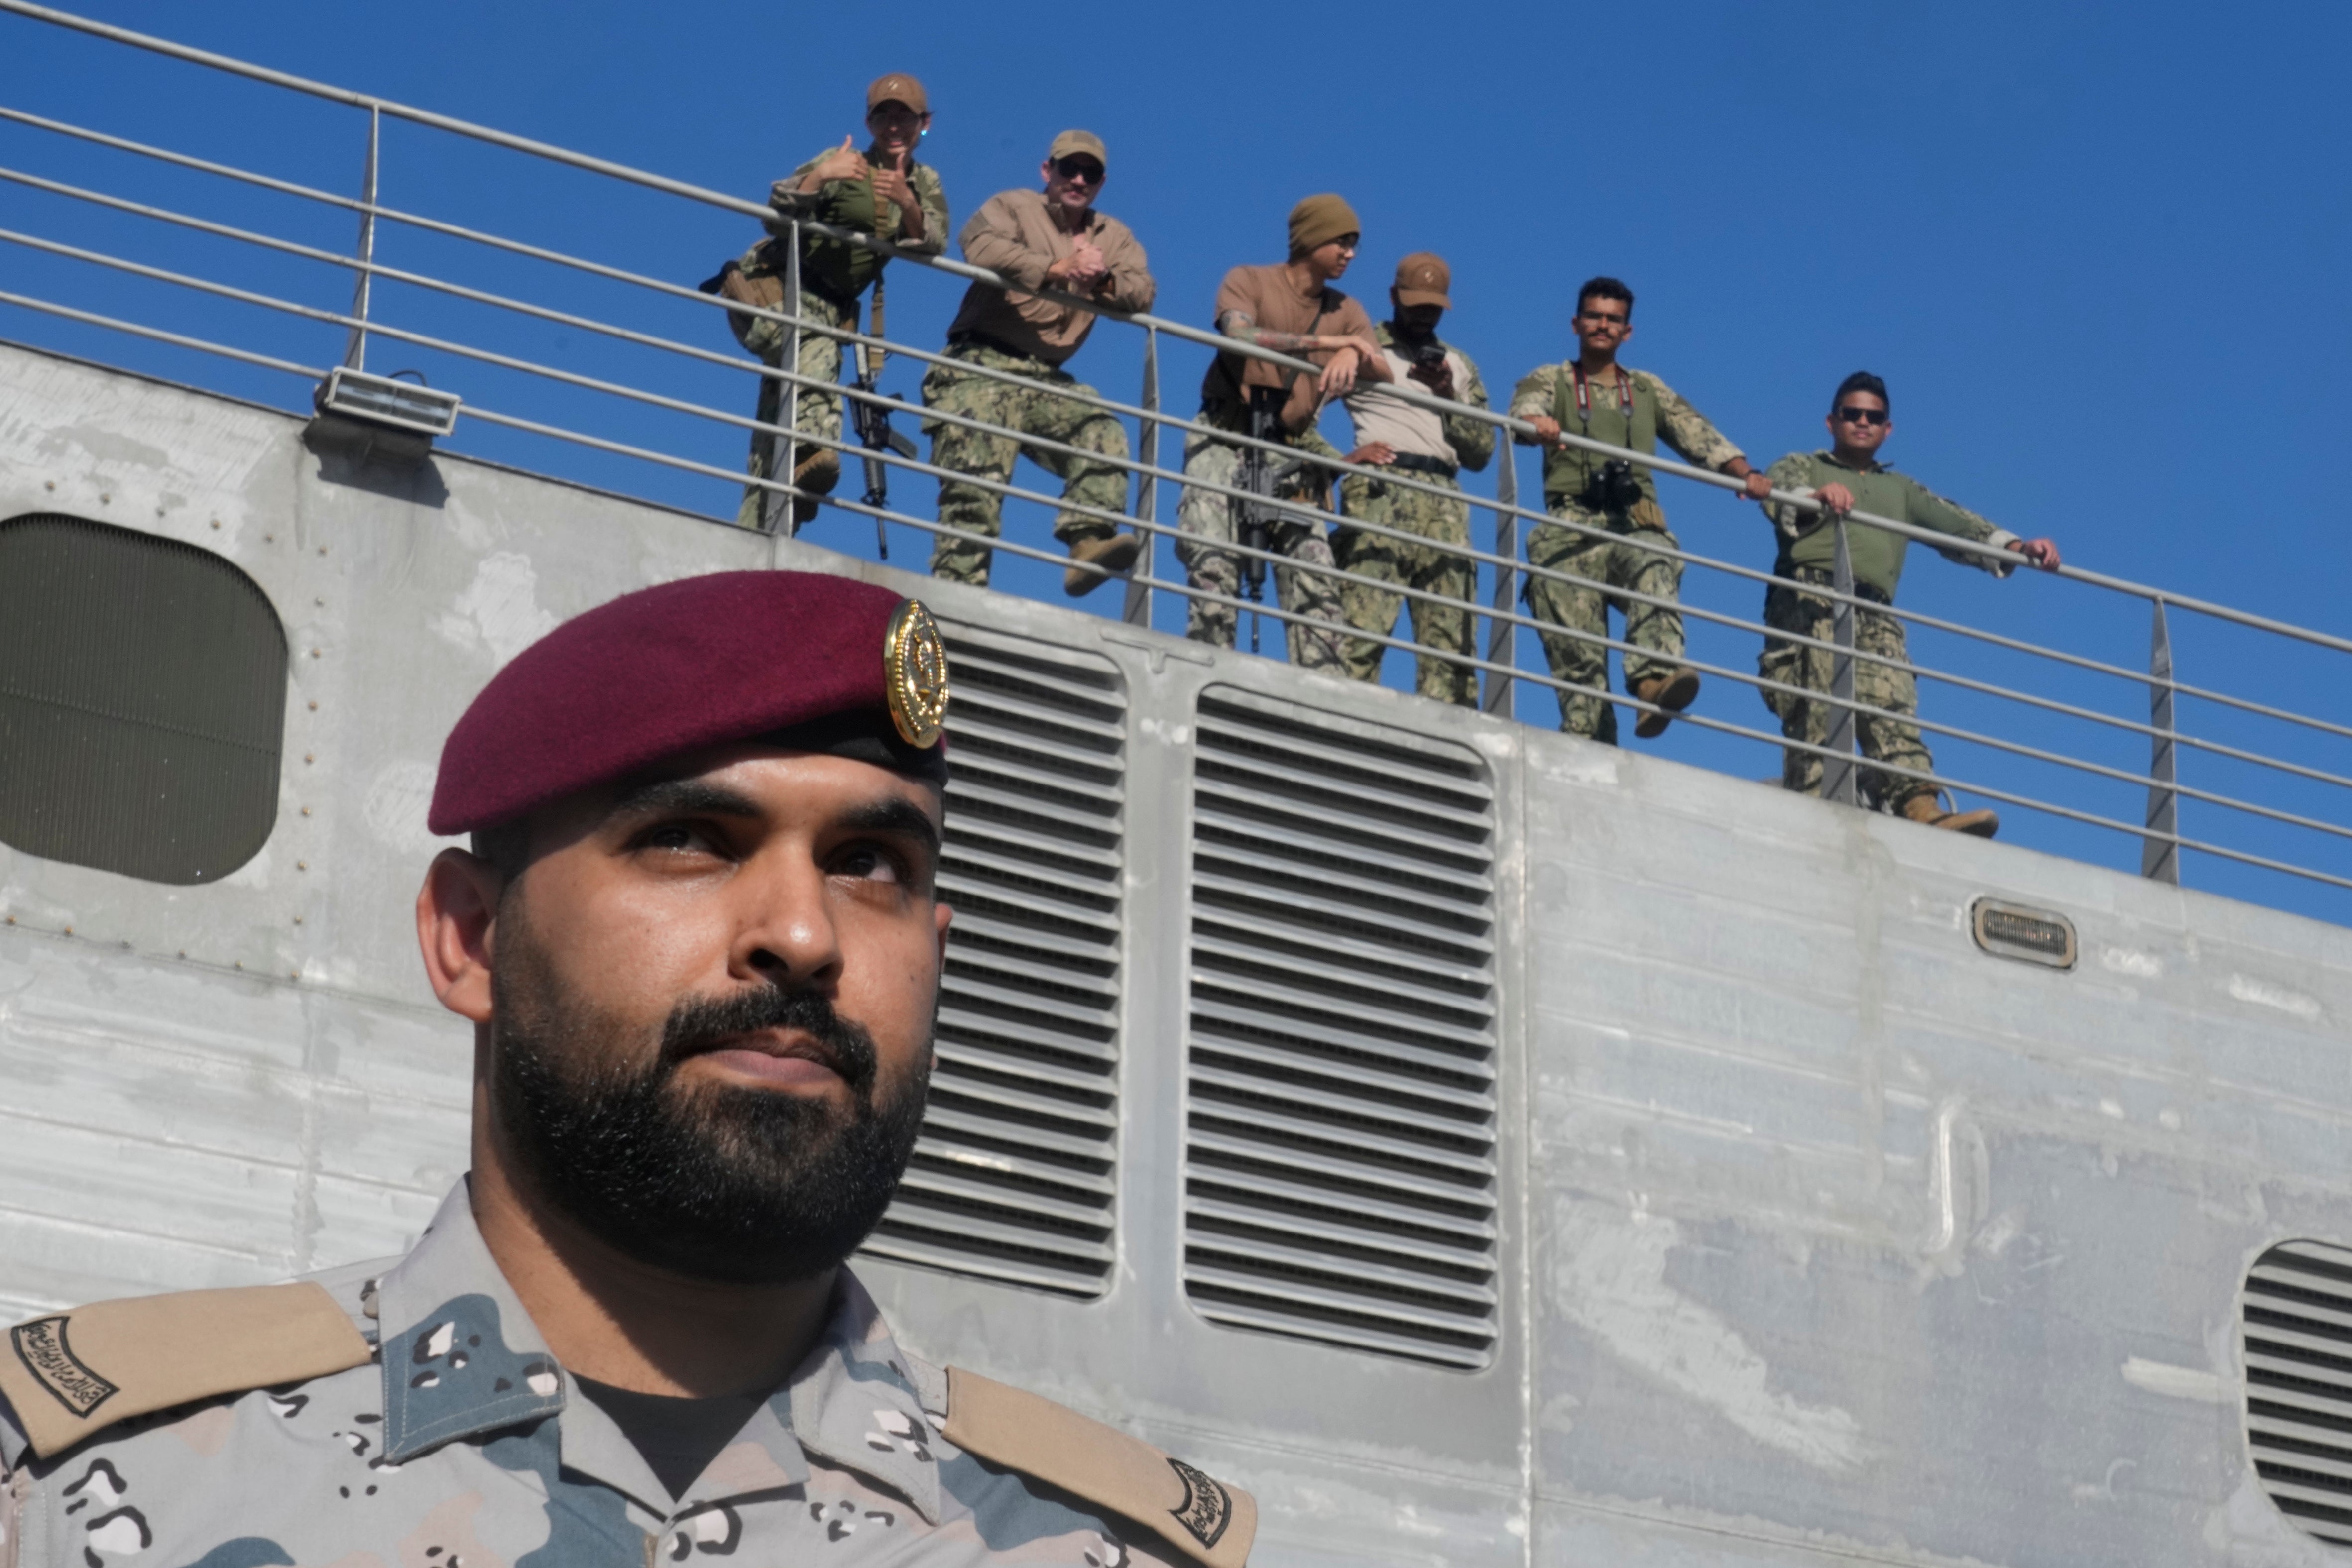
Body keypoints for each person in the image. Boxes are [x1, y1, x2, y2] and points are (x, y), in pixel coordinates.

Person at [0, 573, 1258, 1566]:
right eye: (686, 840)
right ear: (472, 938)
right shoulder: (72, 1493)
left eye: (871, 864)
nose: (806, 936)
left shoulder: (1112, 1548)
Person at [1755, 372, 2061, 837]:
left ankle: (1922, 808)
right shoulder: (1805, 465)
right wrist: (1816, 498)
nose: (1862, 422)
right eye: (1851, 414)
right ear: (1831, 421)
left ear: (1887, 429)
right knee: (1816, 719)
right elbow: (1781, 491)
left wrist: (2017, 547)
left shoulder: (1900, 490)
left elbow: (1956, 524)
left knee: (1892, 706)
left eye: (1873, 417)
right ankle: (1810, 817)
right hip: (1808, 601)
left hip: (1874, 611)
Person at [1509, 277, 1772, 743]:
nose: (1603, 326)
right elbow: (1525, 414)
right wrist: (1537, 425)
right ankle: (1591, 738)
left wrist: (1744, 473)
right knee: (1577, 654)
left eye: (1613, 319)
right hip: (1570, 526)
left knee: (1656, 561)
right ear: (1576, 323)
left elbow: (1697, 434)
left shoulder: (1646, 389)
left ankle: (1653, 684)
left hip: (1633, 522)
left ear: (1627, 332)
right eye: (1594, 316)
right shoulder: (1553, 378)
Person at [926, 130, 1156, 597]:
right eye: (1068, 168)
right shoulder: (1014, 206)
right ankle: (957, 595)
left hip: (1044, 375)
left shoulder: (1112, 236)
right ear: (1046, 171)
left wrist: (1103, 278)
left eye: (1089, 173)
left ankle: (1086, 545)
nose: (1077, 179)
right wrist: (1056, 269)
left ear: (1101, 182)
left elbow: (1143, 291)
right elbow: (980, 244)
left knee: (1102, 432)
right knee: (976, 486)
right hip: (980, 364)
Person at [717, 74, 949, 532]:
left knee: (776, 417)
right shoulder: (843, 161)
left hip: (829, 310)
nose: (894, 125)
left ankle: (760, 523)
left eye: (905, 116)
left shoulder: (922, 182)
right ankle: (811, 460)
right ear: (868, 121)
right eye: (884, 115)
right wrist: (822, 177)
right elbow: (776, 214)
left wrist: (906, 202)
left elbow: (934, 242)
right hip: (775, 291)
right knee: (818, 359)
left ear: (925, 124)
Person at [1176, 194, 1391, 669]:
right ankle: (1207, 681)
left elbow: (1384, 372)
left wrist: (1353, 354)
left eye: (1355, 244)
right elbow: (1237, 334)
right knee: (1213, 567)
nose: (1351, 254)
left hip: (1288, 448)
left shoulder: (1347, 308)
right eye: (1342, 242)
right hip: (1225, 434)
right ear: (1310, 239)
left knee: (1316, 581)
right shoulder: (1248, 280)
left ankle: (1323, 702)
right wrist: (1328, 343)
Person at [1332, 253, 1494, 705]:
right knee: (1358, 634)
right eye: (1415, 303)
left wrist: (1446, 398)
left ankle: (1447, 759)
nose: (1423, 314)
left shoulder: (1458, 364)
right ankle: (1340, 738)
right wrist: (1343, 461)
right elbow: (1301, 408)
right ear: (1393, 298)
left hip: (1444, 500)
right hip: (1379, 491)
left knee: (1452, 648)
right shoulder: (1360, 347)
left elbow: (1482, 451)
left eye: (1433, 306)